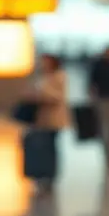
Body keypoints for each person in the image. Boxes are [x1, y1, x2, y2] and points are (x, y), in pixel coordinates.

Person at [29, 54, 69, 195]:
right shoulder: (41, 76)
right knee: (40, 149)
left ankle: (49, 179)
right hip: (41, 119)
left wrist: (42, 92)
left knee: (50, 149)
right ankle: (40, 177)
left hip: (53, 120)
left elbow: (58, 96)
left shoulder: (59, 76)